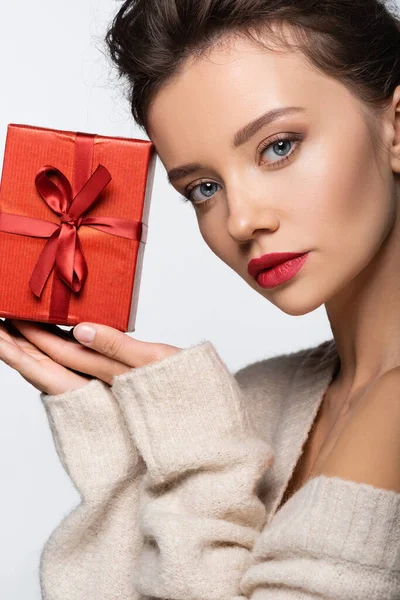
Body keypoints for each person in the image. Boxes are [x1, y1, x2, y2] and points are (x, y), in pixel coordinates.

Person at [0, 0, 400, 598]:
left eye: (278, 147)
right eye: (204, 188)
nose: (240, 220)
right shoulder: (257, 399)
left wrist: (200, 459)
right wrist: (123, 466)